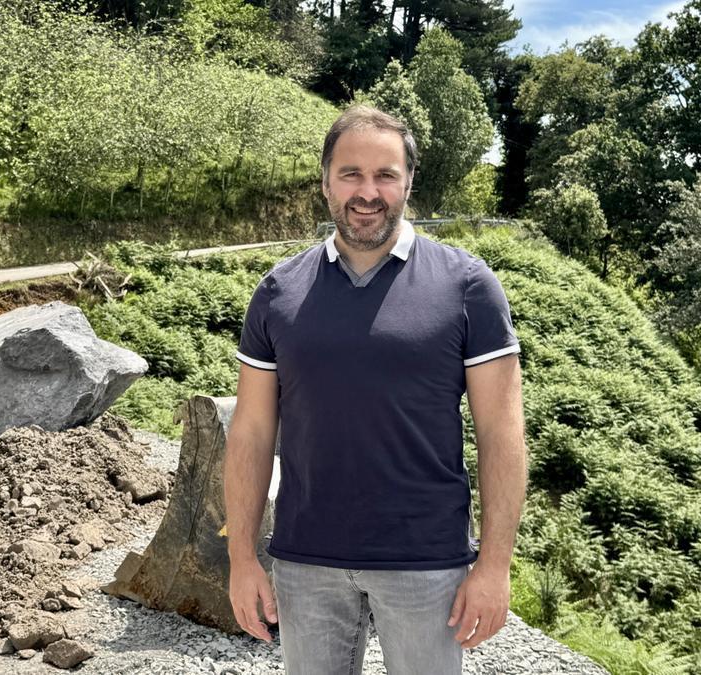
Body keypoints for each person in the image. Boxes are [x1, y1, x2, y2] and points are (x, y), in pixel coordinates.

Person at [224, 105, 526, 674]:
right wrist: (242, 556)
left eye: (385, 174)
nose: (368, 192)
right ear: (324, 182)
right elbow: (252, 431)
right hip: (305, 562)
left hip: (426, 563)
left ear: (409, 180)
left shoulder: (468, 287)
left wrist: (494, 565)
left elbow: (501, 433)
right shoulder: (276, 293)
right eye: (351, 174)